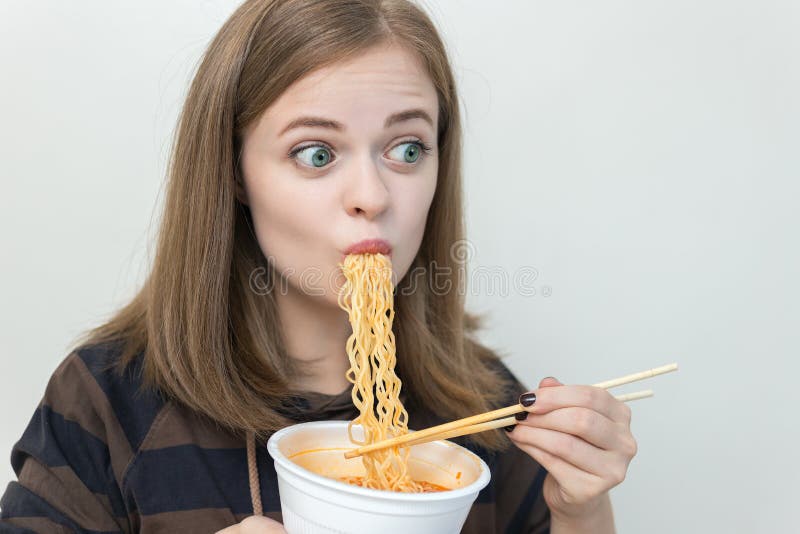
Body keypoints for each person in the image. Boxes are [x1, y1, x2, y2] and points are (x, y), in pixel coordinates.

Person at [0, 1, 637, 532]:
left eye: (407, 148)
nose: (374, 194)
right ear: (234, 174)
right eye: (315, 153)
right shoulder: (109, 401)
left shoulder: (490, 410)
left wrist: (581, 511)